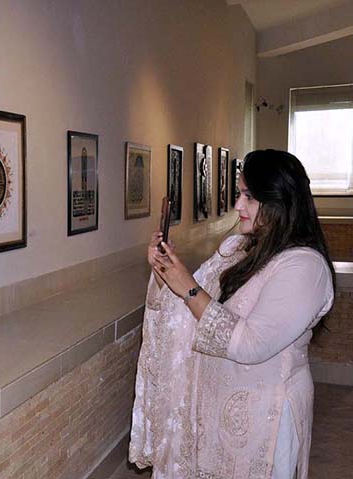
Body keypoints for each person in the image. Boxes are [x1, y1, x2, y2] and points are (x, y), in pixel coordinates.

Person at [129, 149, 335, 479]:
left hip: (266, 415)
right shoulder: (243, 247)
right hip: (218, 407)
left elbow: (250, 344)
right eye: (240, 194)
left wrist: (188, 287)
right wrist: (166, 272)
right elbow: (192, 307)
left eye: (248, 197)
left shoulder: (303, 267)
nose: (238, 206)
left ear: (278, 202)